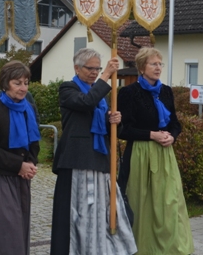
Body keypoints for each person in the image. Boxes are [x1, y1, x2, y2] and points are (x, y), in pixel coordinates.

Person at [50, 48, 136, 255]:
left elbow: (105, 127)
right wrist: (106, 75)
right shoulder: (68, 88)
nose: (95, 73)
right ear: (77, 68)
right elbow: (86, 102)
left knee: (99, 212)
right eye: (91, 68)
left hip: (99, 159)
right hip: (76, 160)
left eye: (98, 69)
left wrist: (114, 121)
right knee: (74, 213)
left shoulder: (101, 97)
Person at [117, 47, 194, 254]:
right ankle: (142, 248)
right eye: (153, 64)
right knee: (142, 203)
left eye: (160, 64)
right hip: (140, 154)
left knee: (169, 203)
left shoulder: (166, 91)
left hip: (164, 154)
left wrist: (172, 136)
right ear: (142, 68)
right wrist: (152, 135)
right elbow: (124, 130)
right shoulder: (128, 93)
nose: (158, 67)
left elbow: (175, 123)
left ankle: (171, 248)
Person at [0, 61, 40, 255]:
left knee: (19, 229)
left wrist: (31, 163)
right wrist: (19, 165)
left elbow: (34, 141)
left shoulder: (29, 108)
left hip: (20, 178)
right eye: (17, 83)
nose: (23, 88)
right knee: (1, 231)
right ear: (5, 84)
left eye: (26, 83)